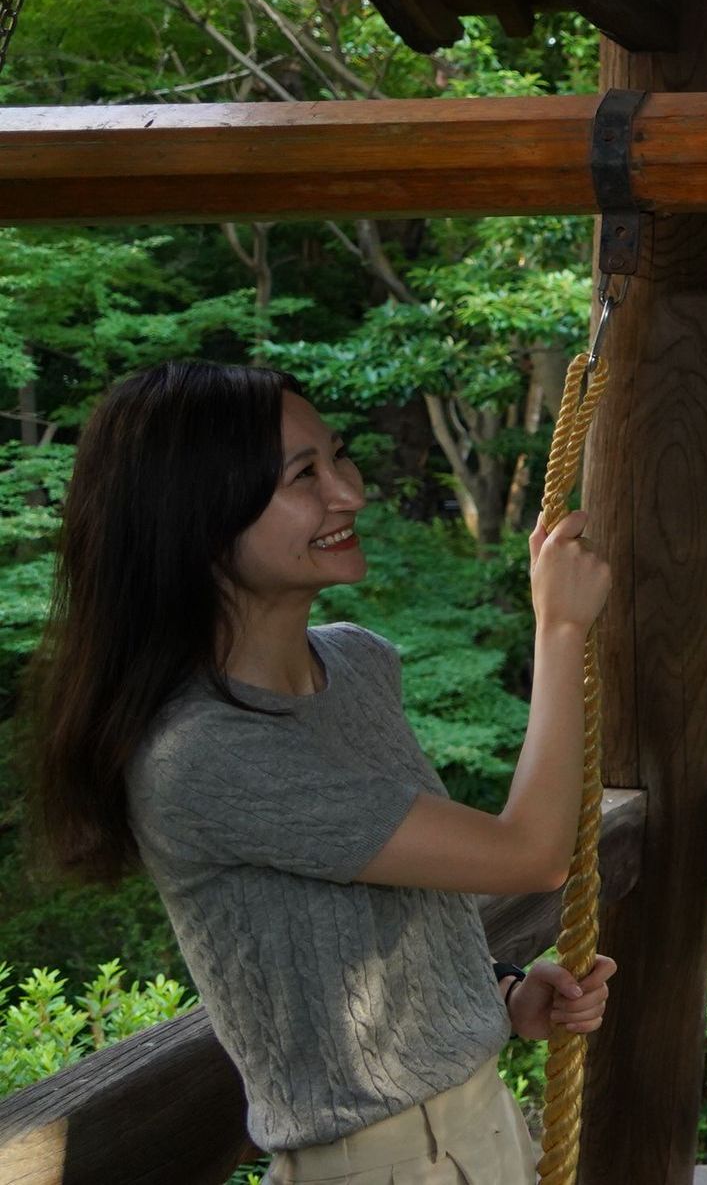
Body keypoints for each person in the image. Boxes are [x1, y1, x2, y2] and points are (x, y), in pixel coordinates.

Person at [22, 359, 617, 1184]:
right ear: (196, 518)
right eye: (304, 475)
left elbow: (364, 916)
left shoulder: (360, 666)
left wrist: (503, 993)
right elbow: (532, 854)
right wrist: (558, 630)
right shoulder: (204, 755)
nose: (349, 493)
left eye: (339, 458)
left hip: (488, 1133)